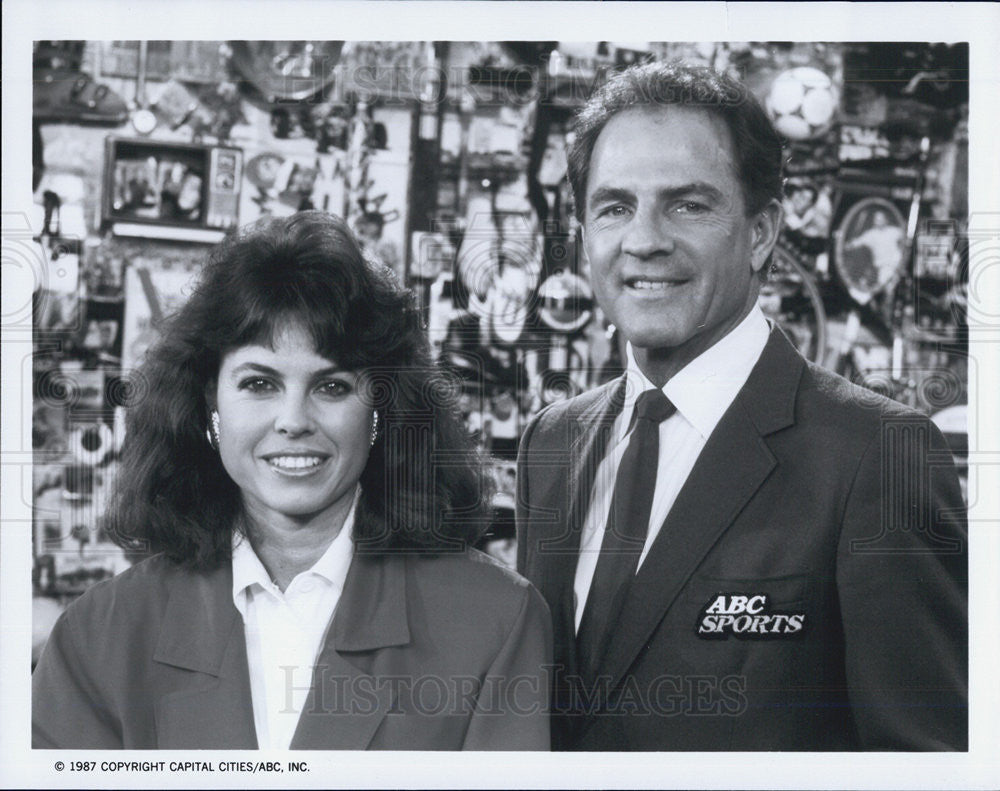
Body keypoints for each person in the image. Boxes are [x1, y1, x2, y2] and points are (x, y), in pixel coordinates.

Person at [515, 61, 967, 751]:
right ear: (582, 233)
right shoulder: (551, 441)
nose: (644, 240)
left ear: (761, 232)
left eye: (688, 204)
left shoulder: (877, 457)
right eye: (614, 206)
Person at [33, 211, 551, 750]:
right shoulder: (97, 637)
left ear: (380, 408)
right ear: (209, 403)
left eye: (331, 387)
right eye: (259, 383)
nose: (293, 420)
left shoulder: (496, 621)